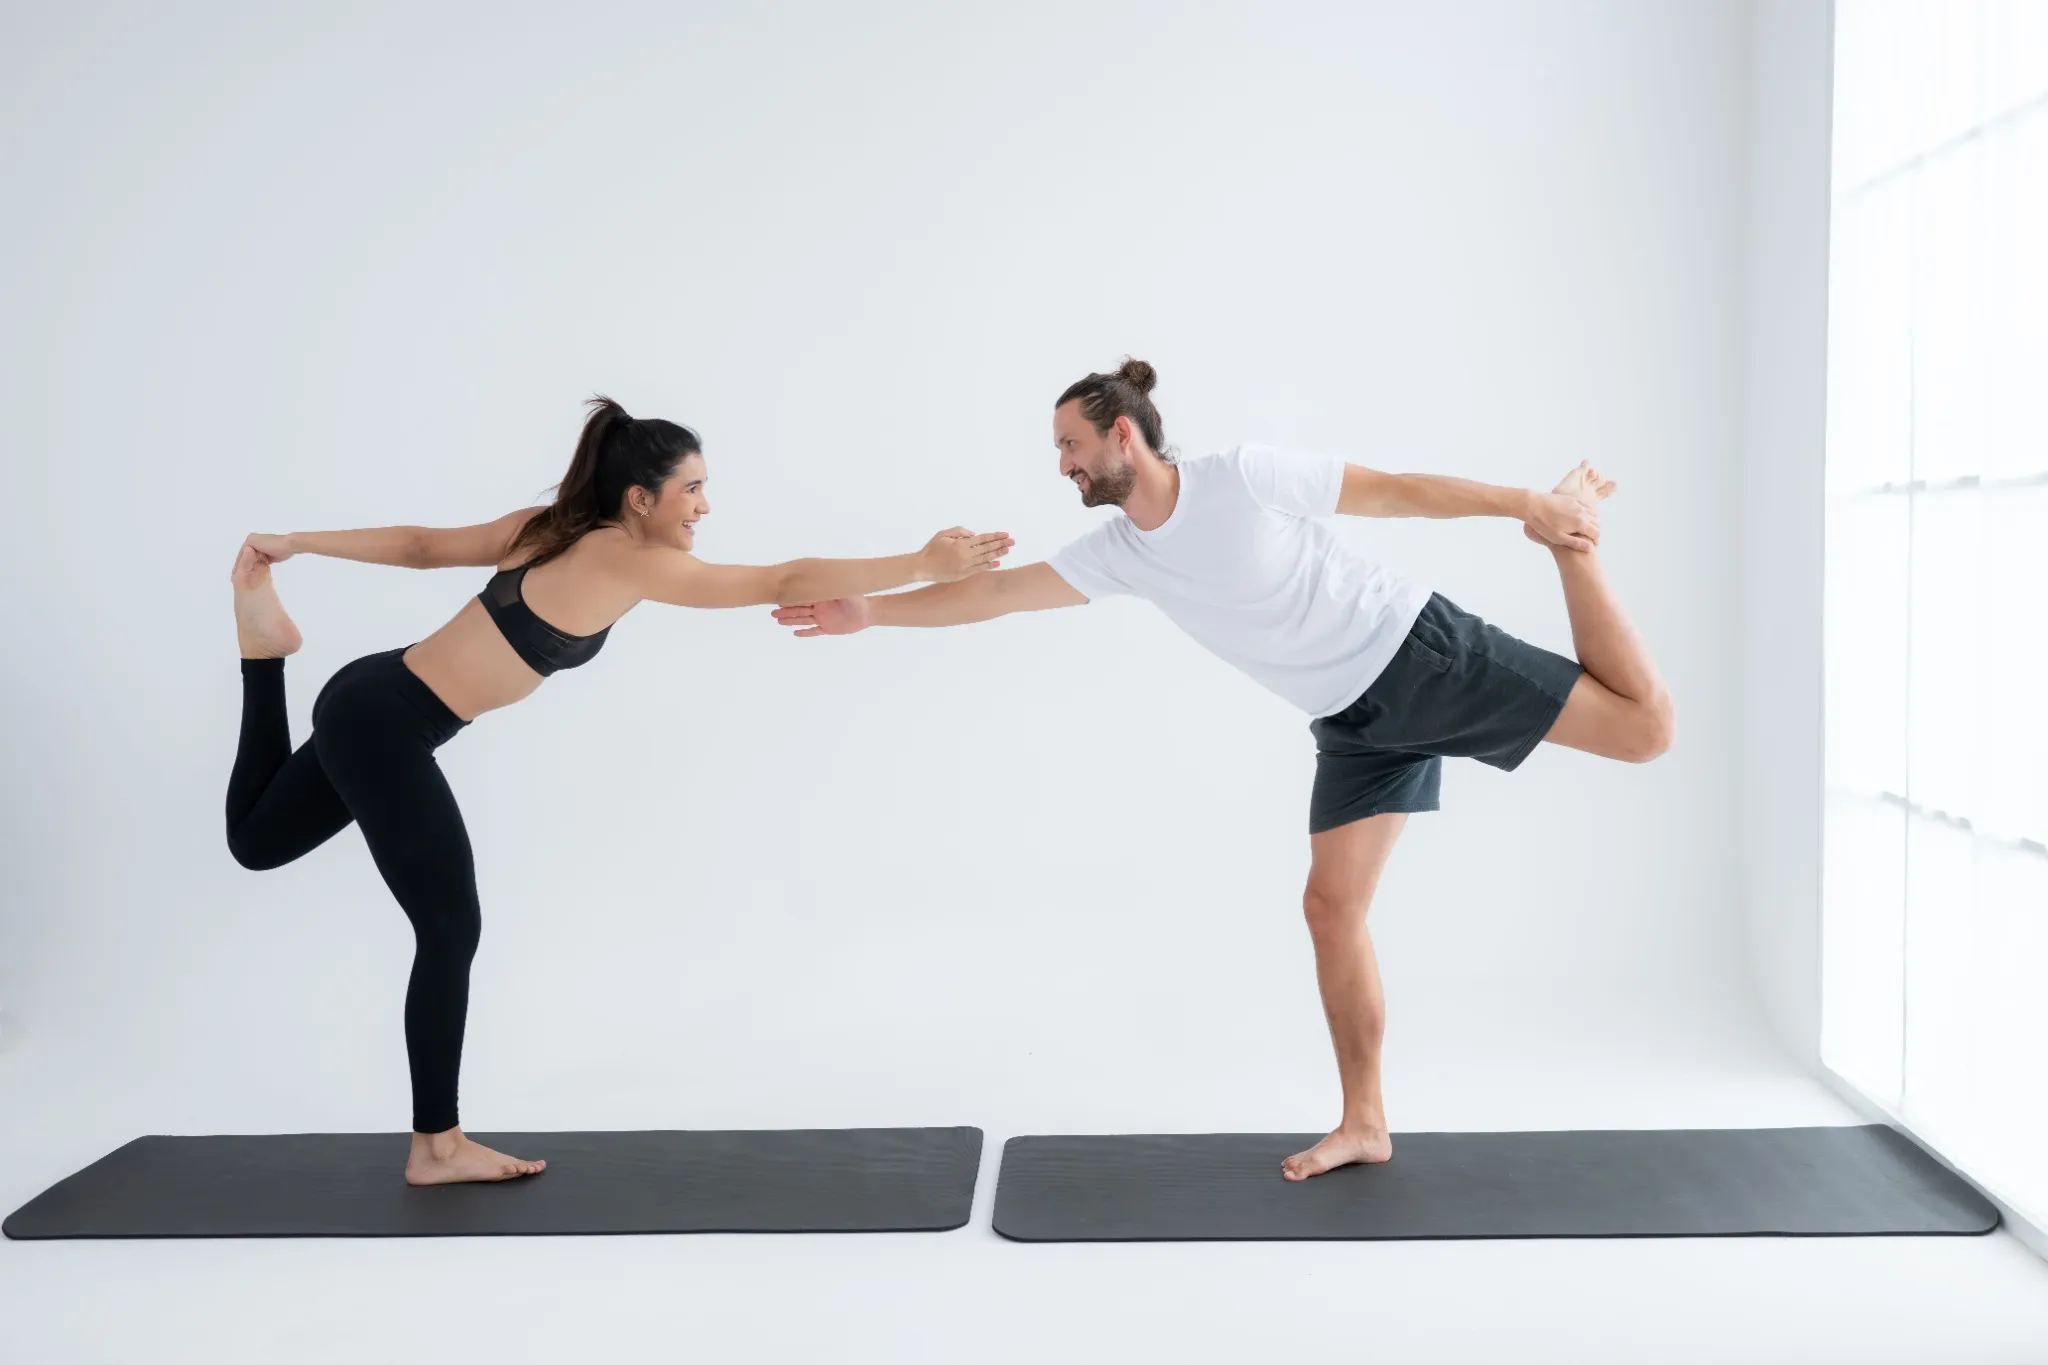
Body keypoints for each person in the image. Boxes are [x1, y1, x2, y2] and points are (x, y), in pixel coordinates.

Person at [771, 358, 1674, 1181]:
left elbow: (1394, 492)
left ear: (1123, 433)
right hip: (1352, 723)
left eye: (1070, 444)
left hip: (1413, 657)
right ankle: (1366, 1122)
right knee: (1330, 908)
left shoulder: (1241, 477)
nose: (1062, 466)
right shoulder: (1120, 551)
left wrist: (1530, 506)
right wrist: (873, 614)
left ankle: (1570, 542)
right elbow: (999, 593)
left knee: (1644, 732)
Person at [225, 396, 1012, 1185]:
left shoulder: (555, 526)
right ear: (641, 498)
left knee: (256, 843)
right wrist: (918, 565)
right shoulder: (630, 558)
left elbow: (426, 548)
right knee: (449, 924)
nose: (705, 506)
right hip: (385, 725)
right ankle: (436, 1145)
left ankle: (264, 653)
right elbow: (781, 579)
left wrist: (296, 543)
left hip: (373, 695)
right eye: (692, 489)